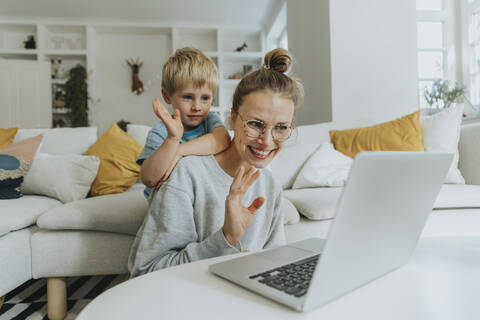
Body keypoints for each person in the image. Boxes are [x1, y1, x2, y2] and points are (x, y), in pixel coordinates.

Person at [128, 48, 304, 277]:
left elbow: (275, 262)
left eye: (281, 127)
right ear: (232, 117)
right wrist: (226, 239)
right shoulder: (185, 174)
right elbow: (145, 272)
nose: (267, 141)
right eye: (256, 124)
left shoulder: (270, 184)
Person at [137, 47, 231, 200]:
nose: (197, 106)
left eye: (205, 98)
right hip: (169, 203)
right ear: (167, 96)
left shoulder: (209, 120)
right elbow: (148, 178)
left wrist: (180, 151)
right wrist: (172, 140)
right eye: (188, 97)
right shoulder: (161, 132)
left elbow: (223, 139)